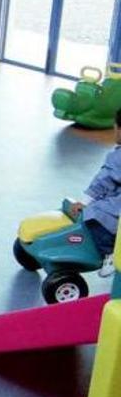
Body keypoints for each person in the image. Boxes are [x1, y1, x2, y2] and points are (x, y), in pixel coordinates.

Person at [69, 108, 121, 276]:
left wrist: (85, 201)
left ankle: (110, 253)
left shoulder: (117, 158)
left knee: (97, 216)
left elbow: (104, 181)